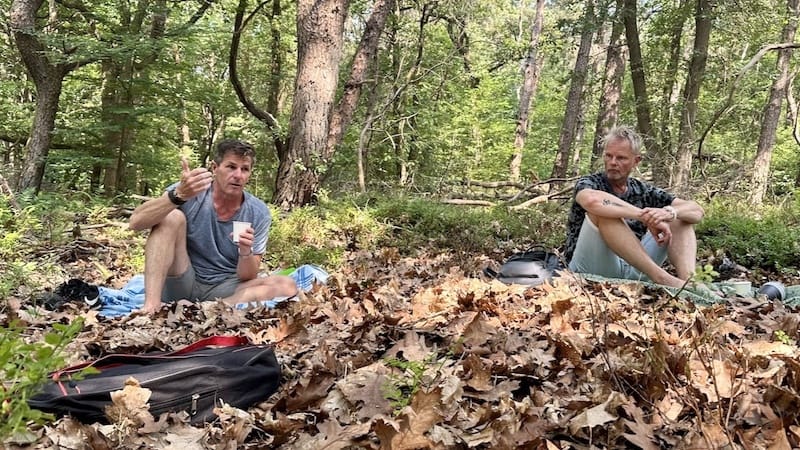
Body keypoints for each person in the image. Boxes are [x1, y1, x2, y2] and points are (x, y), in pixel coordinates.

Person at [129, 139, 298, 314]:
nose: (238, 175)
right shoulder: (190, 191)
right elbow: (136, 222)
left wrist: (245, 251)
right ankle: (151, 306)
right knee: (171, 216)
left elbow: (248, 276)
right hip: (182, 278)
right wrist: (178, 195)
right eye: (231, 167)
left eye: (244, 169)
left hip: (224, 289)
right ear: (215, 168)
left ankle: (207, 309)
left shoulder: (258, 212)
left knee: (287, 285)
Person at [564, 126, 705, 289]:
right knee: (603, 213)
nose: (613, 163)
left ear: (636, 161)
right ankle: (663, 278)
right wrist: (644, 216)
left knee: (681, 219)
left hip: (633, 270)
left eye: (621, 158)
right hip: (591, 269)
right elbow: (592, 201)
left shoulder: (643, 190)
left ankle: (691, 285)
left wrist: (669, 213)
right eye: (609, 156)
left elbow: (697, 211)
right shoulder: (590, 182)